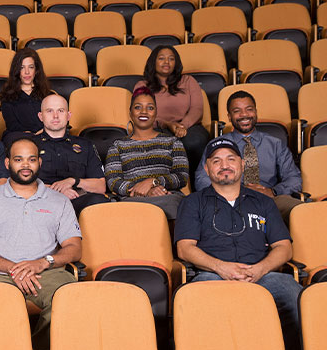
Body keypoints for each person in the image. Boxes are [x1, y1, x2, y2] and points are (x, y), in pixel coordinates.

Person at [175, 137, 302, 350]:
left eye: (230, 159)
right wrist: (221, 268)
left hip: (263, 275)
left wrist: (260, 269)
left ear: (242, 164)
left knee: (296, 294)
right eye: (216, 161)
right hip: (213, 275)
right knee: (196, 298)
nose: (224, 166)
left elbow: (284, 247)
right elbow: (185, 248)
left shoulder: (264, 202)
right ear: (206, 168)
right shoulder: (193, 202)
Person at [0, 138, 82, 350]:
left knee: (71, 301)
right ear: (7, 163)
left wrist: (43, 263)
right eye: (18, 159)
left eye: (31, 159)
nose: (25, 165)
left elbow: (74, 248)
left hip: (47, 273)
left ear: (39, 162)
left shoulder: (59, 201)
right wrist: (17, 269)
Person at [195, 90, 303, 221]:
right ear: (229, 116)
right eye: (237, 111)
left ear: (256, 112)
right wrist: (232, 192)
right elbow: (201, 179)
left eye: (249, 109)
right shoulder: (217, 144)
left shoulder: (275, 144)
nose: (244, 114)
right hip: (229, 201)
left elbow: (294, 178)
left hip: (269, 199)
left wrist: (273, 192)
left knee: (299, 210)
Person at [105, 86, 188, 221]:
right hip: (132, 201)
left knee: (177, 205)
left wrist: (154, 182)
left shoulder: (173, 142)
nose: (144, 112)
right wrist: (143, 191)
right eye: (138, 107)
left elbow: (182, 176)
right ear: (130, 112)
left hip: (166, 197)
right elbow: (113, 182)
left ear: (156, 113)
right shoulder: (117, 145)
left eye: (150, 108)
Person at [134, 45, 209, 181]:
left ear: (176, 63)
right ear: (153, 62)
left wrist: (182, 126)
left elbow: (197, 109)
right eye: (161, 58)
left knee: (196, 142)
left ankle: (196, 183)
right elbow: (141, 113)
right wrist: (167, 124)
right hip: (155, 128)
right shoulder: (142, 85)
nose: (166, 62)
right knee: (161, 145)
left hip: (188, 127)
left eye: (171, 59)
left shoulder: (188, 81)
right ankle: (164, 185)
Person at [35, 94, 109, 214]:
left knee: (99, 201)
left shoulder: (86, 145)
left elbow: (100, 186)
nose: (55, 116)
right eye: (49, 111)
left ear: (68, 115)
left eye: (60, 110)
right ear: (41, 116)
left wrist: (74, 181)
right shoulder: (29, 145)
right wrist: (58, 191)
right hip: (41, 202)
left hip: (76, 201)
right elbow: (19, 183)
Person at [0, 48, 53, 142]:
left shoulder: (48, 95)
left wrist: (43, 132)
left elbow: (53, 120)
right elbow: (12, 125)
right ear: (17, 70)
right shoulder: (7, 96)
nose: (27, 72)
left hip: (46, 136)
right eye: (22, 67)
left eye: (31, 67)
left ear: (37, 70)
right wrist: (31, 135)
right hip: (18, 137)